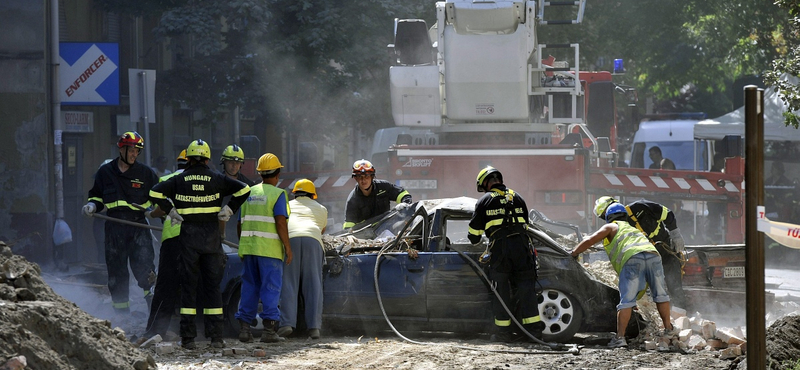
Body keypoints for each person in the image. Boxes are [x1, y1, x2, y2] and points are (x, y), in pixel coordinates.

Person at [149, 139, 251, 349]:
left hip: (188, 241)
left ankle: (188, 339)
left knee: (189, 287)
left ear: (188, 159)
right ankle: (216, 338)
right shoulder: (217, 178)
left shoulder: (179, 179)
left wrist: (170, 211)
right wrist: (230, 209)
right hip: (211, 241)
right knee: (212, 288)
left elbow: (154, 193)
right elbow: (244, 189)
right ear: (207, 159)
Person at [571, 203, 676, 348]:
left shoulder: (611, 227)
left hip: (632, 257)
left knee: (626, 301)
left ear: (609, 217)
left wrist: (574, 253)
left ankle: (620, 339)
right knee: (661, 294)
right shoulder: (633, 229)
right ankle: (668, 330)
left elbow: (590, 240)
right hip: (653, 256)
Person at [82, 132, 159, 313]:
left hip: (138, 226)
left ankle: (153, 310)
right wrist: (92, 205)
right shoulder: (106, 172)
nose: (134, 154)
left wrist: (155, 212)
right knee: (117, 274)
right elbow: (96, 195)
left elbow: (159, 197)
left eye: (137, 151)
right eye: (131, 150)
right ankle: (122, 315)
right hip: (114, 227)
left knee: (145, 269)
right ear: (122, 149)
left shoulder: (146, 173)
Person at [467, 166, 544, 342]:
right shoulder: (518, 197)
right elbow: (525, 224)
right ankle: (533, 333)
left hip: (501, 251)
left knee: (501, 292)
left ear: (486, 183)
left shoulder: (484, 200)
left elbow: (473, 236)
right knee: (527, 291)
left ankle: (503, 333)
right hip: (523, 249)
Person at [235, 153, 293, 343]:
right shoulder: (278, 194)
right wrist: (287, 247)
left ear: (260, 174)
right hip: (269, 252)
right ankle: (269, 331)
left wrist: (244, 244)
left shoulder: (248, 193)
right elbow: (280, 222)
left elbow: (239, 224)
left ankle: (244, 329)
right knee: (270, 288)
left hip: (249, 250)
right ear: (277, 174)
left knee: (249, 288)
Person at [593, 196, 688, 310]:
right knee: (654, 294)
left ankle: (681, 317)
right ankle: (660, 320)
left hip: (666, 252)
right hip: (647, 260)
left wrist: (675, 233)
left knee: (675, 288)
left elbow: (667, 214)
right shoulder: (617, 228)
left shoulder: (641, 207)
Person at [142, 150, 189, 340]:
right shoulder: (201, 182)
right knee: (190, 286)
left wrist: (150, 214)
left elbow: (160, 208)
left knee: (165, 287)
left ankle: (157, 330)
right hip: (196, 239)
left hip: (172, 239)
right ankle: (190, 331)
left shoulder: (168, 179)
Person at [278, 179, 328, 340]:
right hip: (312, 241)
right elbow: (321, 229)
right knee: (313, 285)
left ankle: (286, 324)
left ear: (295, 194)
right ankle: (314, 327)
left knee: (288, 283)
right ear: (312, 195)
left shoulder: (287, 205)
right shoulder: (321, 209)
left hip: (290, 240)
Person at [343, 159, 411, 229]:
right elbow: (348, 226)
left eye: (367, 176)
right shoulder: (353, 200)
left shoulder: (383, 187)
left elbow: (403, 194)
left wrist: (404, 204)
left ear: (372, 177)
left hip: (389, 228)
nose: (363, 180)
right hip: (367, 235)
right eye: (360, 177)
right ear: (355, 178)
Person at [219, 144, 257, 245]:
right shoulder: (216, 182)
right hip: (220, 232)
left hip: (242, 231)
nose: (234, 166)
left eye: (237, 162)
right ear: (224, 162)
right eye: (231, 162)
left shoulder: (248, 185)